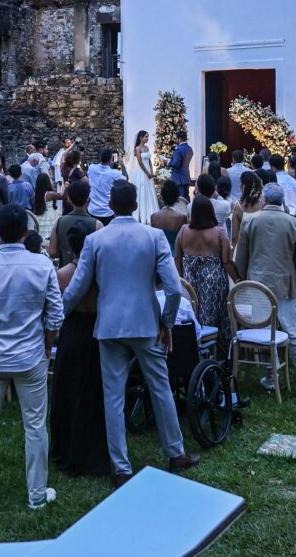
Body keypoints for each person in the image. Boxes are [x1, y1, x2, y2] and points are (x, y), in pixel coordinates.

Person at [63, 181, 200, 484]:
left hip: (110, 325)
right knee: (160, 387)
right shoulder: (152, 237)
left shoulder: (96, 240)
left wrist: (56, 315)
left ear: (110, 206)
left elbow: (77, 287)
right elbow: (174, 289)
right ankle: (175, 452)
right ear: (136, 205)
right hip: (145, 323)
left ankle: (121, 466)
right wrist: (166, 322)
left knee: (113, 395)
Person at [0, 204, 64, 508]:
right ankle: (36, 494)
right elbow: (55, 315)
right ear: (25, 231)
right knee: (34, 425)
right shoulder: (41, 265)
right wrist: (48, 344)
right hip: (31, 355)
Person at [234, 183, 296, 388]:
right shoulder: (294, 223)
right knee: (294, 328)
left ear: (264, 199)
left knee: (262, 328)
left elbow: (241, 257)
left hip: (257, 283)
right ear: (281, 201)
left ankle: (272, 374)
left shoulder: (250, 221)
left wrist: (244, 281)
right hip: (285, 283)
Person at [51, 224, 108, 476]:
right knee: (93, 392)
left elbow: (55, 308)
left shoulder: (62, 274)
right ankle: (91, 449)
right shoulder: (100, 273)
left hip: (72, 330)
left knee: (67, 391)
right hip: (95, 328)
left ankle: (65, 447)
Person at [174, 195, 237, 348]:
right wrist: (238, 279)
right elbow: (227, 262)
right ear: (211, 212)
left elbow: (177, 258)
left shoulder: (183, 231)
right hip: (213, 280)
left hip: (190, 279)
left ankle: (193, 347)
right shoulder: (220, 233)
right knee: (215, 315)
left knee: (193, 312)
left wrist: (181, 279)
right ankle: (218, 349)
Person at [50, 178, 98, 265]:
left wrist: (65, 253)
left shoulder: (60, 222)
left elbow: (52, 252)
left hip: (65, 272)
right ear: (89, 200)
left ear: (70, 201)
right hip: (89, 275)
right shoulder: (97, 224)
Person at [86, 149, 123, 222]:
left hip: (92, 211)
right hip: (107, 212)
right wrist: (122, 163)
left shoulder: (91, 168)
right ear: (111, 160)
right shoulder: (114, 173)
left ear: (100, 158)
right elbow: (125, 179)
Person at [149, 180, 187, 249]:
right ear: (176, 198)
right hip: (175, 254)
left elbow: (154, 240)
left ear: (162, 197)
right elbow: (184, 241)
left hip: (159, 253)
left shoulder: (153, 216)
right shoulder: (181, 217)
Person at [131, 130, 159, 224]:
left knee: (149, 191)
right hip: (141, 171)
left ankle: (151, 212)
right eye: (145, 137)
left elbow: (149, 160)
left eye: (147, 136)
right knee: (141, 192)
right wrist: (147, 173)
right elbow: (140, 162)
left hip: (148, 171)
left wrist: (152, 170)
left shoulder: (147, 148)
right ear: (141, 138)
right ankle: (142, 215)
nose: (147, 138)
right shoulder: (137, 148)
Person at [230, 171, 263, 247]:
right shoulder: (263, 205)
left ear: (243, 186)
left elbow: (235, 237)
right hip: (260, 247)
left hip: (244, 248)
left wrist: (233, 253)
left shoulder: (238, 208)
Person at [32, 172, 62, 244]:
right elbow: (62, 196)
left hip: (40, 215)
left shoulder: (37, 194)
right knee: (51, 234)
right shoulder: (49, 194)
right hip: (50, 215)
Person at [167, 131, 194, 201]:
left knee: (180, 199)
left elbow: (176, 164)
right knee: (187, 197)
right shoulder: (190, 148)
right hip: (186, 176)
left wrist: (168, 162)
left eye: (176, 139)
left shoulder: (178, 149)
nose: (176, 140)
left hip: (178, 178)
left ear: (179, 139)